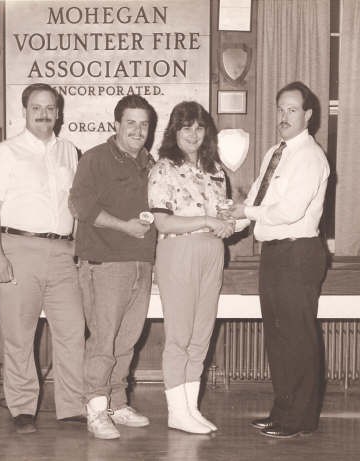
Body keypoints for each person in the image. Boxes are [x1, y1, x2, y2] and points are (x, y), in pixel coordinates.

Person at [0, 83, 85, 434]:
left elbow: (76, 207)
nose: (44, 114)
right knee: (19, 334)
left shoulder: (69, 152)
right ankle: (22, 407)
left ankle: (71, 407)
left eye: (50, 108)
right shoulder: (5, 153)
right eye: (37, 108)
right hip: (16, 248)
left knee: (72, 331)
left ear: (59, 112)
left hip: (62, 253)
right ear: (24, 111)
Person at [228, 81, 330, 438]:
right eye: (280, 109)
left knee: (297, 337)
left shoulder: (310, 157)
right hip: (274, 254)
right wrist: (229, 222)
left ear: (308, 115)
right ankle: (283, 410)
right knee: (277, 336)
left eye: (292, 110)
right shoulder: (275, 151)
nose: (284, 116)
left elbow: (288, 211)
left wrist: (245, 210)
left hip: (298, 254)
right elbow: (257, 198)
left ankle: (300, 419)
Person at [69, 94, 157, 440]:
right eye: (131, 122)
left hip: (141, 264)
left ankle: (116, 404)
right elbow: (79, 205)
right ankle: (94, 408)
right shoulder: (96, 159)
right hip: (105, 264)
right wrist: (125, 226)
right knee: (104, 341)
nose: (138, 130)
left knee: (128, 341)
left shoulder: (151, 164)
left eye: (144, 124)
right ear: (116, 125)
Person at [147, 101, 234, 434]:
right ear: (175, 131)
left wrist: (228, 223)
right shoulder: (163, 168)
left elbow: (222, 216)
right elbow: (163, 222)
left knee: (201, 335)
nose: (194, 134)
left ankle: (190, 409)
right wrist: (208, 220)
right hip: (178, 251)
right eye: (186, 128)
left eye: (199, 127)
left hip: (212, 252)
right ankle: (175, 412)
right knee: (180, 336)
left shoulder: (215, 170)